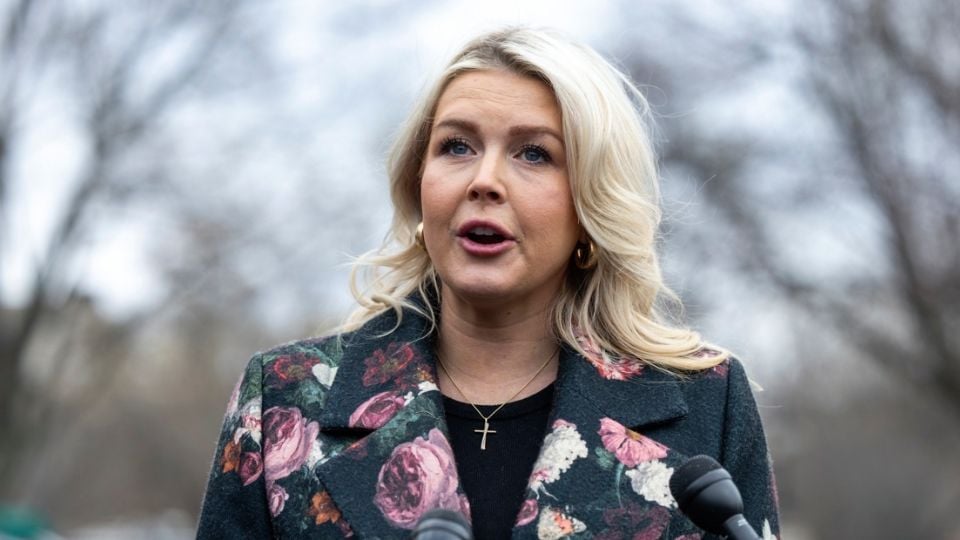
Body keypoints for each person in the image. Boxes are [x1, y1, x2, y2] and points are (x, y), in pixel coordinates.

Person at [197, 27, 780, 539]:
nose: (485, 180)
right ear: (418, 184)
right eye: (457, 146)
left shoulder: (707, 402)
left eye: (534, 154)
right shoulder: (285, 397)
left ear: (590, 205)